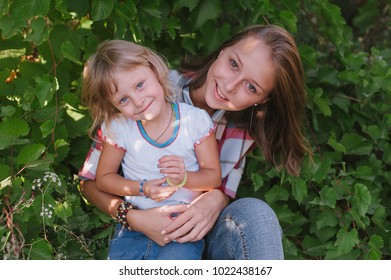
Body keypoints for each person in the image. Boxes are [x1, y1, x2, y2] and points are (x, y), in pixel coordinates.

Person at [79, 24, 312, 260]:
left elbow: (219, 185)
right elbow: (89, 182)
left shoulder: (242, 129)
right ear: (223, 50)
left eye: (251, 87)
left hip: (202, 231)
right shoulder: (149, 90)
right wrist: (133, 218)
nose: (229, 87)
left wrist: (218, 198)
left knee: (258, 214)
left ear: (263, 99)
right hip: (147, 221)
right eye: (233, 64)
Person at [80, 40, 222, 260]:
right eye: (123, 99)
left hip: (181, 226)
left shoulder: (195, 121)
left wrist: (184, 178)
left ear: (155, 70)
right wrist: (142, 188)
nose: (138, 101)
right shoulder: (119, 128)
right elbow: (104, 179)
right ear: (113, 106)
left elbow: (213, 177)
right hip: (134, 226)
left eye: (140, 85)